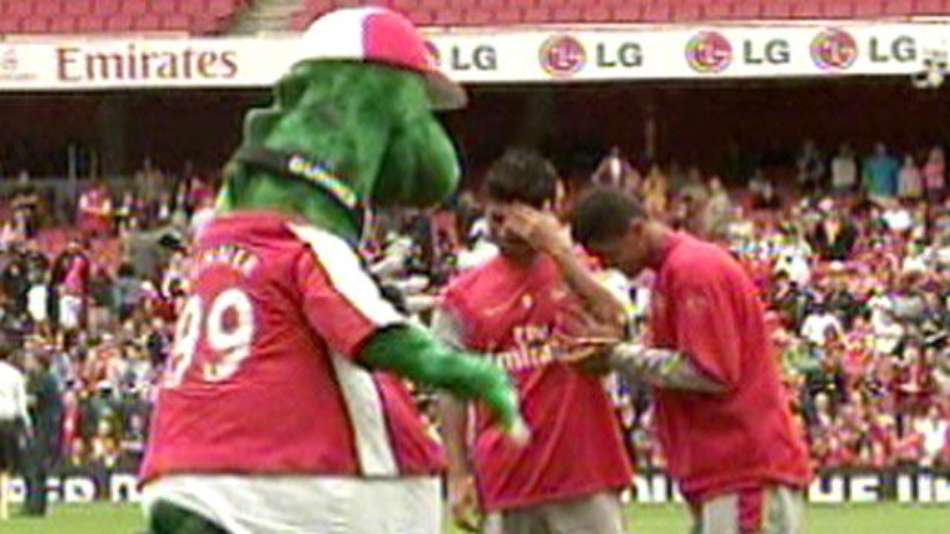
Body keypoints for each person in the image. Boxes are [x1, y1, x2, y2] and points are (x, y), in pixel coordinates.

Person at [560, 188, 812, 534]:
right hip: (727, 472)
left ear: (636, 230)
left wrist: (617, 355)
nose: (606, 266)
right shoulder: (674, 273)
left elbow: (710, 372)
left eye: (608, 253)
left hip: (742, 470)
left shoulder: (693, 271)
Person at [436, 150, 633, 534]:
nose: (506, 230)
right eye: (496, 218)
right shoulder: (462, 296)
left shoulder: (584, 272)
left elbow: (620, 322)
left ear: (547, 212)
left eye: (520, 219)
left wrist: (558, 251)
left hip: (584, 474)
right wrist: (458, 474)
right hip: (506, 477)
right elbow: (451, 390)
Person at [0, 342, 31, 521]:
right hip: (7, 423)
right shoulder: (15, 374)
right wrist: (27, 425)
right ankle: (3, 508)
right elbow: (21, 403)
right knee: (5, 468)